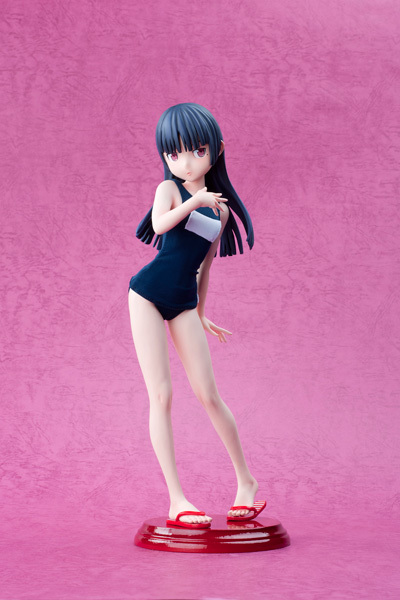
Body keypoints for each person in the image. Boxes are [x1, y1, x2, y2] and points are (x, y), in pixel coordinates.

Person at [128, 102, 266, 529]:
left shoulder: (219, 211)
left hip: (184, 302)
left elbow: (205, 267)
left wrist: (202, 313)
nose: (185, 162)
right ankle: (177, 499)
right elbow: (160, 224)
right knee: (162, 395)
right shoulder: (169, 191)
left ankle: (247, 481)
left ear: (216, 150)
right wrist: (194, 201)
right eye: (174, 154)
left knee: (209, 395)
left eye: (197, 151)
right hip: (146, 296)